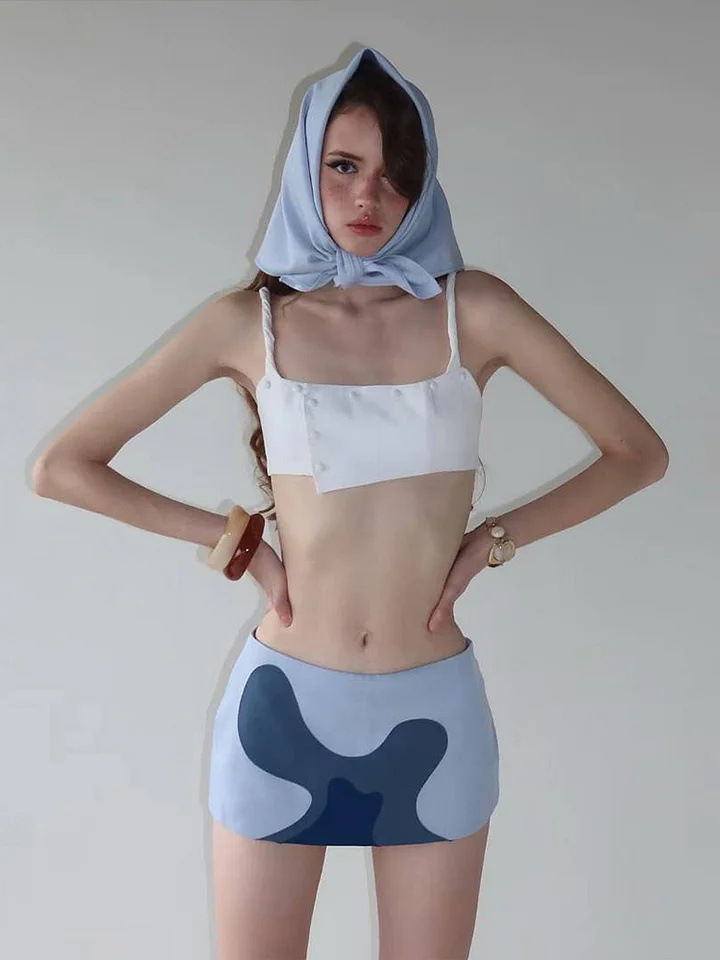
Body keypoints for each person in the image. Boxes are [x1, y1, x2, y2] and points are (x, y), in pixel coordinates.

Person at [32, 46, 669, 960]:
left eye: (394, 172)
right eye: (343, 166)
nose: (369, 195)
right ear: (307, 167)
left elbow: (637, 453)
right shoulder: (246, 324)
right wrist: (237, 543)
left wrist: (495, 538)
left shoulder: (474, 311)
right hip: (281, 711)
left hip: (435, 717)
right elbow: (64, 467)